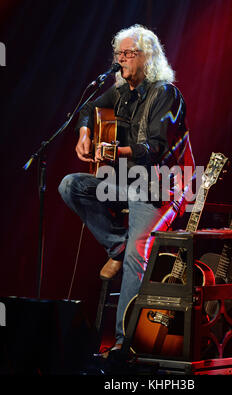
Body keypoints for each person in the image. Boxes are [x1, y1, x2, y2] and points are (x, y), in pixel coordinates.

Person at [58, 24, 195, 357]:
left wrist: (115, 152)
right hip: (127, 185)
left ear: (146, 56)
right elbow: (87, 110)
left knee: (139, 252)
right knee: (71, 184)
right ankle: (116, 247)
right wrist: (84, 133)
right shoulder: (119, 91)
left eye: (128, 53)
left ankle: (123, 343)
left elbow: (158, 148)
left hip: (163, 185)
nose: (120, 59)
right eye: (118, 53)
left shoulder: (165, 93)